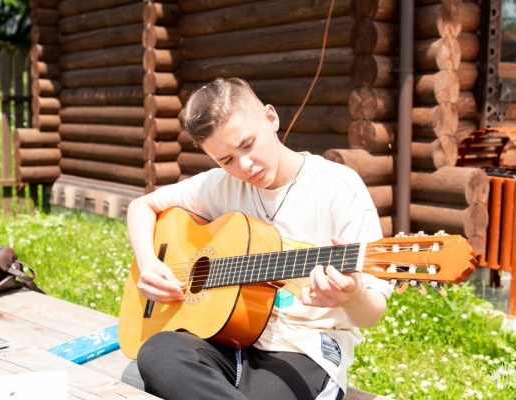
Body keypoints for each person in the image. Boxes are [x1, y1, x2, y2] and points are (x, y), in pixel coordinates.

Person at [126, 77, 393, 400]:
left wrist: (352, 296)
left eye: (248, 144)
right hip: (226, 339)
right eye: (226, 160)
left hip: (302, 348)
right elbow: (142, 206)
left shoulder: (339, 187)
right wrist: (148, 263)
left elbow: (372, 313)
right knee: (158, 352)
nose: (244, 166)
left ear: (271, 117)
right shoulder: (220, 185)